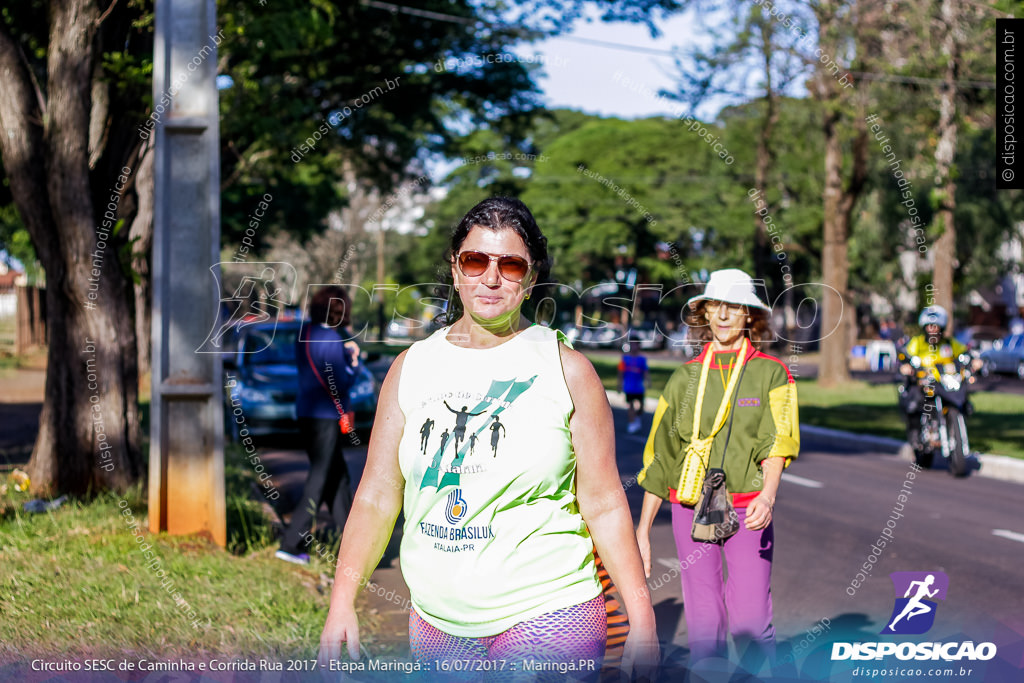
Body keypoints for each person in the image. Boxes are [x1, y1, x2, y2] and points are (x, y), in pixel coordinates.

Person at [318, 197, 659, 679]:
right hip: (436, 621)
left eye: (511, 264)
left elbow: (603, 502)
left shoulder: (567, 370)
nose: (491, 277)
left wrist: (642, 617)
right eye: (475, 260)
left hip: (550, 609)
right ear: (455, 269)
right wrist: (342, 601)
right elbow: (376, 496)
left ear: (531, 277)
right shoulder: (411, 367)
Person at [634, 268, 799, 672]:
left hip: (748, 509)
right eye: (715, 306)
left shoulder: (770, 373)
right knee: (705, 620)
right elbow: (661, 455)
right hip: (691, 507)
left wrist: (768, 494)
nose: (723, 315)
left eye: (733, 307)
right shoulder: (684, 377)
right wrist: (642, 531)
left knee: (750, 620)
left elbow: (778, 439)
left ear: (749, 316)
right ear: (705, 312)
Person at [275, 286, 361, 565]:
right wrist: (353, 361)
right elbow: (342, 382)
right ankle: (290, 544)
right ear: (340, 311)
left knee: (339, 478)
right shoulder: (333, 339)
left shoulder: (304, 334)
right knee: (320, 477)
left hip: (306, 414)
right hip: (327, 417)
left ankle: (353, 546)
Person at [897, 305, 979, 450]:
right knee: (914, 402)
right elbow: (905, 355)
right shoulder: (917, 343)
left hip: (946, 383)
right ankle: (917, 434)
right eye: (930, 326)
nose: (933, 329)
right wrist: (908, 367)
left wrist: (974, 361)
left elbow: (965, 353)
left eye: (936, 326)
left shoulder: (949, 344)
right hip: (924, 384)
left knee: (964, 401)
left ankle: (953, 430)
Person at [619, 336, 649, 434]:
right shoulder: (624, 358)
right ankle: (631, 423)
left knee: (641, 407)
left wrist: (648, 381)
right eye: (631, 344)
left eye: (635, 344)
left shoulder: (642, 359)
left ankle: (637, 418)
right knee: (630, 405)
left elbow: (645, 372)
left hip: (639, 387)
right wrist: (619, 384)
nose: (633, 346)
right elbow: (620, 372)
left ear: (638, 345)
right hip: (629, 386)